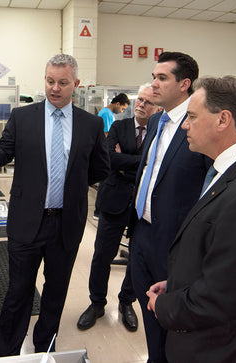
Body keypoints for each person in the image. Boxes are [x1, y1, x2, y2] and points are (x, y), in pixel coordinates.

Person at [0, 54, 109, 357]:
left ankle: (45, 350)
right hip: (27, 221)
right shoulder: (23, 117)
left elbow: (99, 169)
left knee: (55, 294)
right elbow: (1, 155)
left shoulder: (90, 125)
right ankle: (8, 352)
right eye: (50, 81)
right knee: (18, 292)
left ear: (76, 85)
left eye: (63, 83)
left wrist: (71, 186)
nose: (55, 88)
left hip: (66, 224)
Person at [146, 75, 236, 363]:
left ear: (223, 119)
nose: (185, 125)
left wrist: (164, 305)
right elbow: (221, 259)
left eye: (193, 117)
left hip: (218, 348)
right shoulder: (226, 173)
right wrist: (176, 284)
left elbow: (221, 297)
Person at [130, 51, 211, 363]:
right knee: (149, 314)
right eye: (154, 77)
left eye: (162, 78)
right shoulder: (155, 122)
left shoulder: (196, 127)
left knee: (174, 322)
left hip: (174, 243)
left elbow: (208, 188)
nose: (154, 84)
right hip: (141, 233)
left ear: (184, 84)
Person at [77, 83, 160, 332]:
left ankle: (127, 303)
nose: (141, 105)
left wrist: (129, 163)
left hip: (142, 205)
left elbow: (155, 164)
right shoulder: (118, 126)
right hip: (114, 200)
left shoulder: (159, 133)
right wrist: (140, 164)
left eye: (148, 102)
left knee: (138, 258)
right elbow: (109, 159)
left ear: (157, 107)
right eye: (139, 100)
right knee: (102, 255)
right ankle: (97, 303)